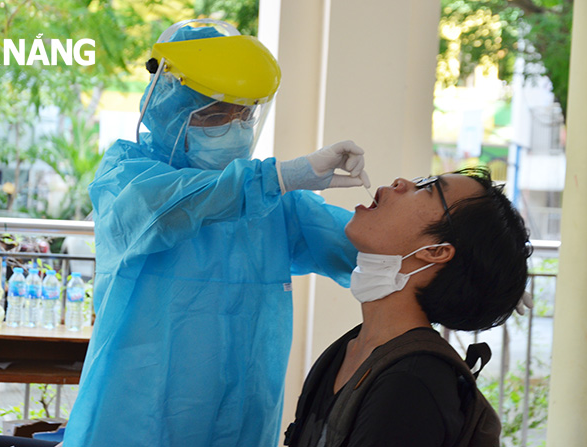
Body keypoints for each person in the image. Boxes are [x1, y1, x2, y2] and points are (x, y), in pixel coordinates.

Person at [61, 19, 370, 447]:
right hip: (135, 418)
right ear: (168, 107)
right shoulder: (128, 174)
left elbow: (357, 246)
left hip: (240, 422)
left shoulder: (270, 198)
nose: (236, 125)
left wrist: (420, 233)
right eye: (215, 113)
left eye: (246, 113)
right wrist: (281, 177)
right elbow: (171, 207)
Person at [284, 167, 532, 447]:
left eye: (427, 188)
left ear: (436, 251)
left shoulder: (411, 384)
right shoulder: (348, 350)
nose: (400, 182)